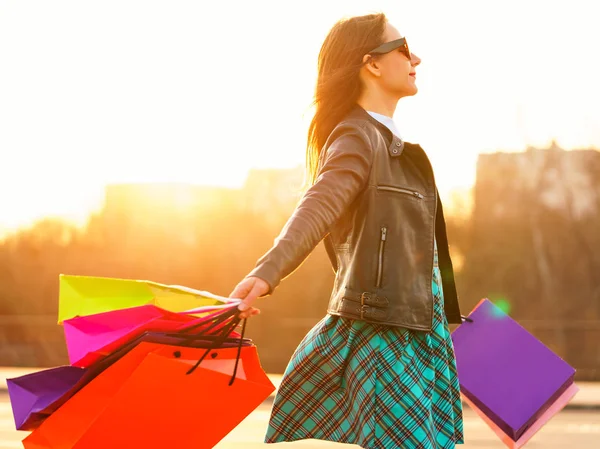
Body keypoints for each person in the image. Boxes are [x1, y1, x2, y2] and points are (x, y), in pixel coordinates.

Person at [229, 12, 465, 449]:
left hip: (421, 332)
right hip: (385, 334)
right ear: (371, 64)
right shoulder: (357, 137)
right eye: (401, 47)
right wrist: (267, 272)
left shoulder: (392, 144)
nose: (416, 58)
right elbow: (317, 206)